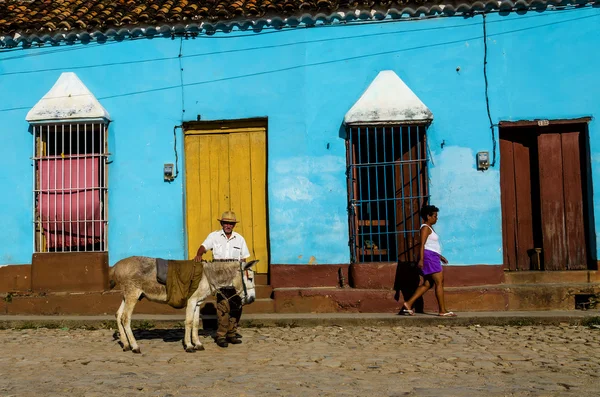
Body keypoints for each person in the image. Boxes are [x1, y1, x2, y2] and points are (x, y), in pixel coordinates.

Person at [194, 210, 251, 347]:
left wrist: (245, 276)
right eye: (226, 223)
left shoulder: (240, 239)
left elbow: (243, 258)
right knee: (223, 305)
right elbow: (203, 247)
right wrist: (199, 254)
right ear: (222, 223)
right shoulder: (214, 236)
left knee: (237, 305)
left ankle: (232, 333)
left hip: (235, 276)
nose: (228, 225)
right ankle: (221, 335)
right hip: (219, 275)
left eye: (231, 223)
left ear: (234, 225)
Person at [399, 205, 456, 317]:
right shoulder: (425, 228)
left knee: (427, 284)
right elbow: (422, 245)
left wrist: (440, 256)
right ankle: (442, 310)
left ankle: (408, 304)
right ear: (428, 216)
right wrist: (421, 259)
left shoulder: (429, 228)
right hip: (429, 258)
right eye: (434, 216)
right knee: (439, 282)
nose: (436, 218)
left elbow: (432, 245)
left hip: (433, 256)